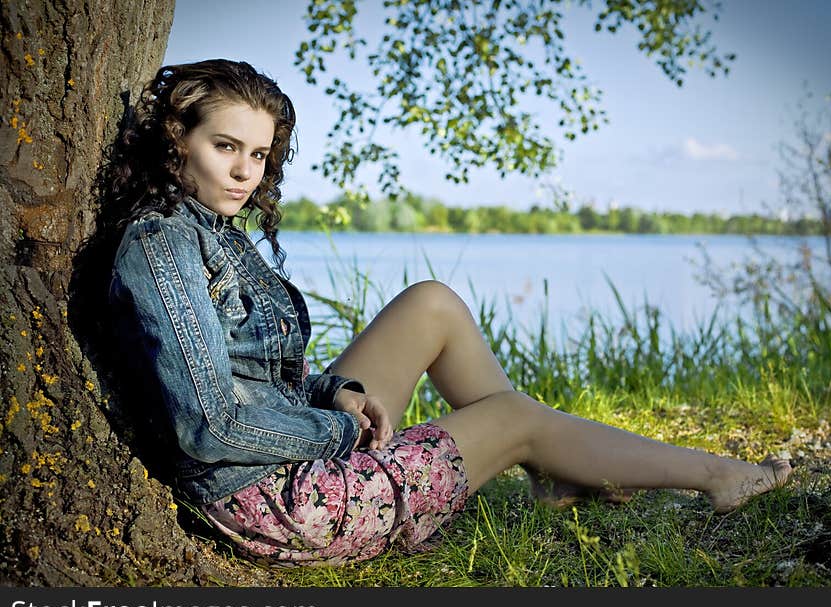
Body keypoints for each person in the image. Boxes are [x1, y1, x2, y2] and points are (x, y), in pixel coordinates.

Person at [106, 59, 792, 567]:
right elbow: (211, 423)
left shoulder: (210, 229)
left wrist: (334, 391)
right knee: (515, 415)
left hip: (280, 451)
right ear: (177, 137)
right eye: (225, 147)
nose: (244, 171)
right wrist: (336, 430)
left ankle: (552, 460)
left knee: (430, 303)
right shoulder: (163, 243)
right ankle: (710, 473)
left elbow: (257, 377)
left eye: (258, 154)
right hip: (272, 498)